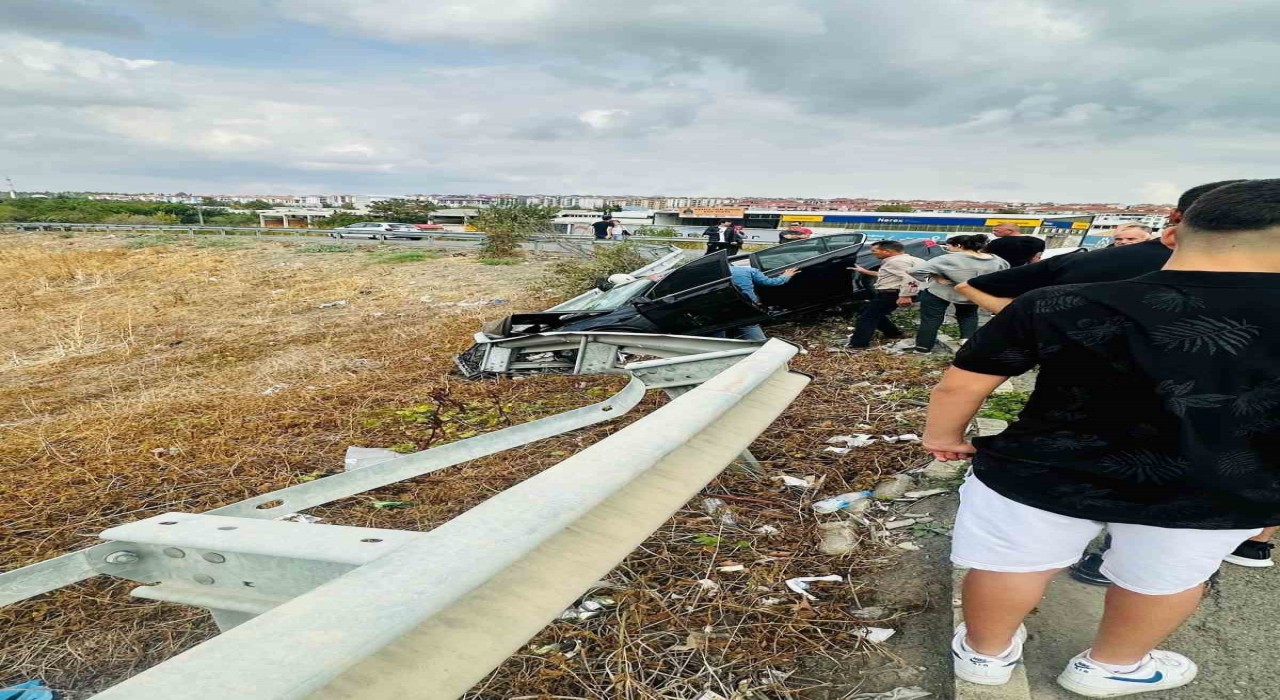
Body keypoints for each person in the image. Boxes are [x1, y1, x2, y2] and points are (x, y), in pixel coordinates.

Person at [923, 178, 1280, 697]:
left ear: (1174, 234)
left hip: (1045, 469)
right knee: (1164, 577)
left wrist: (945, 438)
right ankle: (1112, 666)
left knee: (1013, 564)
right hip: (1217, 484)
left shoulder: (1058, 302)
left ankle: (983, 655)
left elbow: (961, 383)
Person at [955, 180, 1247, 314]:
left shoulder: (1089, 261)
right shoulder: (1093, 262)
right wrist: (1031, 324)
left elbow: (972, 286)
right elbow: (973, 286)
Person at [907, 235, 1008, 353]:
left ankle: (923, 348)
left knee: (931, 319)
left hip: (940, 291)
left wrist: (936, 277)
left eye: (949, 245)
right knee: (968, 316)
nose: (947, 248)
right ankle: (966, 343)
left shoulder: (948, 258)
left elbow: (915, 270)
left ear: (959, 246)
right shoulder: (996, 260)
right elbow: (1006, 273)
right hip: (972, 293)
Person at [844, 240, 923, 349]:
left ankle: (858, 344)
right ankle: (893, 333)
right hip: (892, 293)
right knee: (869, 311)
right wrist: (865, 271)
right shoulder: (909, 259)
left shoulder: (895, 262)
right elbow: (887, 274)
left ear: (887, 251)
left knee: (867, 317)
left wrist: (906, 296)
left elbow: (911, 277)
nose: (873, 253)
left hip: (892, 293)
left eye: (875, 251)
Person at [727, 264, 799, 340]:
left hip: (721, 309)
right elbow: (771, 282)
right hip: (746, 306)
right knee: (749, 325)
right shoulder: (748, 270)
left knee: (718, 328)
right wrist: (785, 276)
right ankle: (763, 347)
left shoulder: (715, 275)